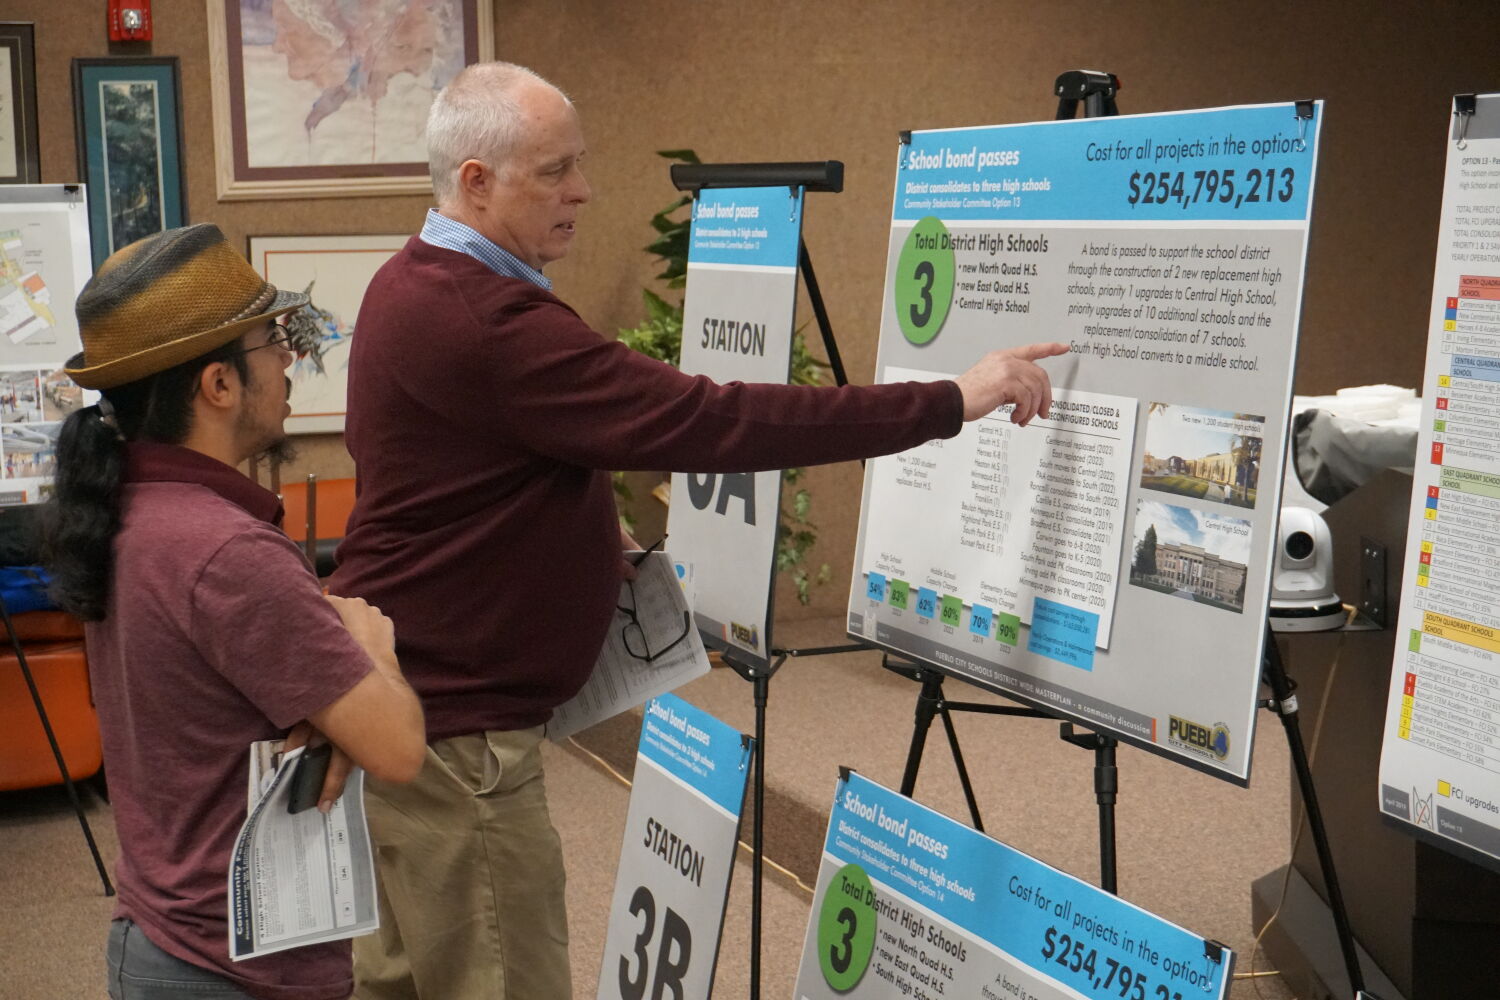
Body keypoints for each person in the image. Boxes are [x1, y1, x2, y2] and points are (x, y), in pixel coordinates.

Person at [330, 62, 1067, 999]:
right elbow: (715, 420)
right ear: (475, 181)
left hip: (403, 709)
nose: (584, 191)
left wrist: (587, 545)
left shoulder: (412, 280)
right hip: (460, 746)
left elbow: (474, 475)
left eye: (580, 164)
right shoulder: (489, 319)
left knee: (401, 983)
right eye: (556, 171)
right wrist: (952, 399)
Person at [39, 224, 427, 1000]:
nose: (289, 359)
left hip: (164, 937)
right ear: (218, 385)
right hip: (230, 972)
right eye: (271, 342)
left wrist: (323, 706)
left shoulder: (131, 513)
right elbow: (397, 748)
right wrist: (368, 643)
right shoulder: (226, 551)